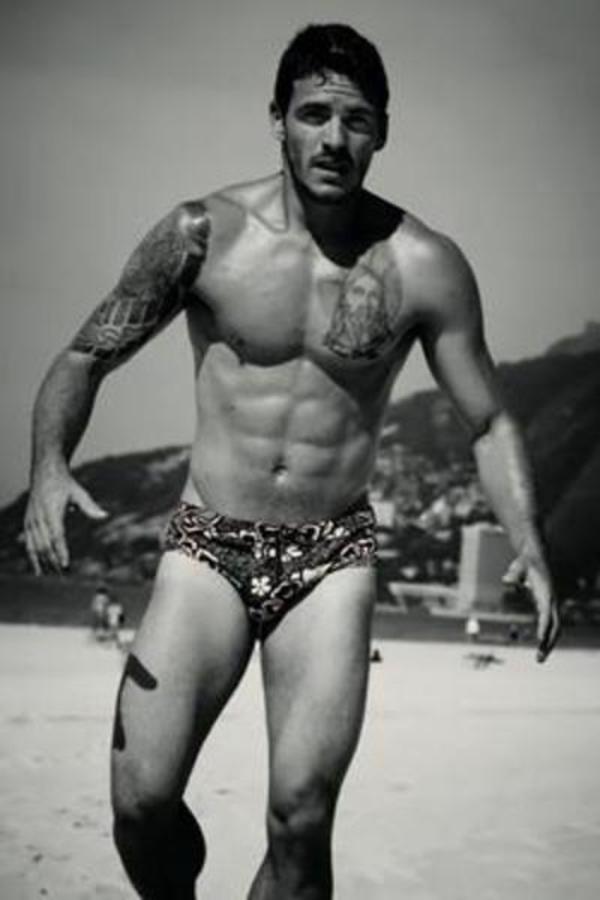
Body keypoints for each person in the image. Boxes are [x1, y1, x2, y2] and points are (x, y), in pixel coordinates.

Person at [22, 23, 560, 900]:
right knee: (141, 801)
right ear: (278, 118)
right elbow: (86, 356)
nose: (334, 139)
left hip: (330, 556)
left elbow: (490, 420)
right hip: (208, 545)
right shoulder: (204, 235)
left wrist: (530, 545)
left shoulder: (425, 265)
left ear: (383, 131)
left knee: (301, 818)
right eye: (314, 115)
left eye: (357, 120)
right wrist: (49, 464)